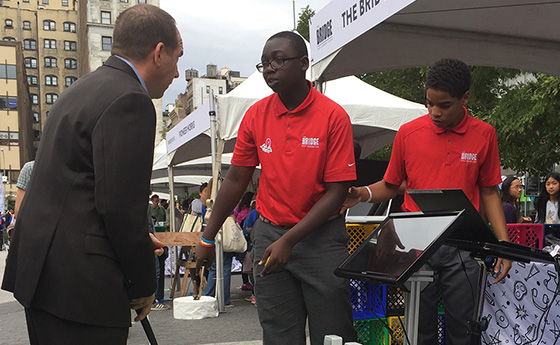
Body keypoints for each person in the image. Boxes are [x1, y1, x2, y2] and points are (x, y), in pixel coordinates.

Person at [1, 5, 181, 344]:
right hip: (82, 286)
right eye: (177, 57)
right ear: (159, 53)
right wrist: (143, 285)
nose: (176, 72)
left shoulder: (79, 90)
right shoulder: (131, 99)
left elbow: (80, 189)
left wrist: (138, 240)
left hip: (43, 275)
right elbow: (119, 207)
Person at [195, 31, 357, 345]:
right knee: (279, 334)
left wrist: (290, 240)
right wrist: (207, 234)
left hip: (321, 240)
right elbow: (236, 180)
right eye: (264, 63)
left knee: (333, 335)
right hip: (270, 234)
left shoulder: (332, 117)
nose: (270, 69)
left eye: (279, 60)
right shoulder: (256, 115)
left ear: (304, 64)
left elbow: (337, 192)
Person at [343, 58, 512, 345]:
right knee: (419, 326)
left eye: (444, 105)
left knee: (464, 326)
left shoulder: (484, 134)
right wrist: (362, 194)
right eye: (428, 103)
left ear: (465, 98)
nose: (434, 112)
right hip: (416, 243)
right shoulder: (408, 133)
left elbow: (489, 192)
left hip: (463, 244)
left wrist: (503, 246)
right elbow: (390, 185)